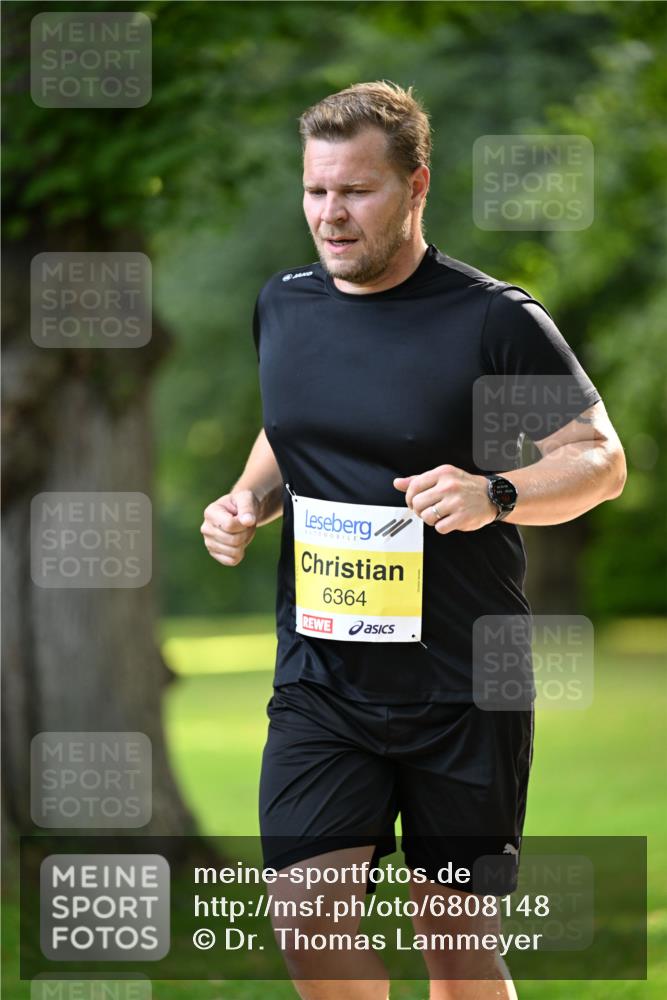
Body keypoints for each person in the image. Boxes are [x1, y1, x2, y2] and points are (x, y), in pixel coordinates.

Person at [201, 81, 626, 1000]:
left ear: (415, 186)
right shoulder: (284, 306)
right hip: (323, 681)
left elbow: (598, 459)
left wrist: (496, 491)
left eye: (355, 191)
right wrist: (244, 500)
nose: (330, 214)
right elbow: (293, 428)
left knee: (457, 946)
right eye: (316, 191)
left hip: (466, 682)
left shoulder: (490, 318)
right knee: (308, 922)